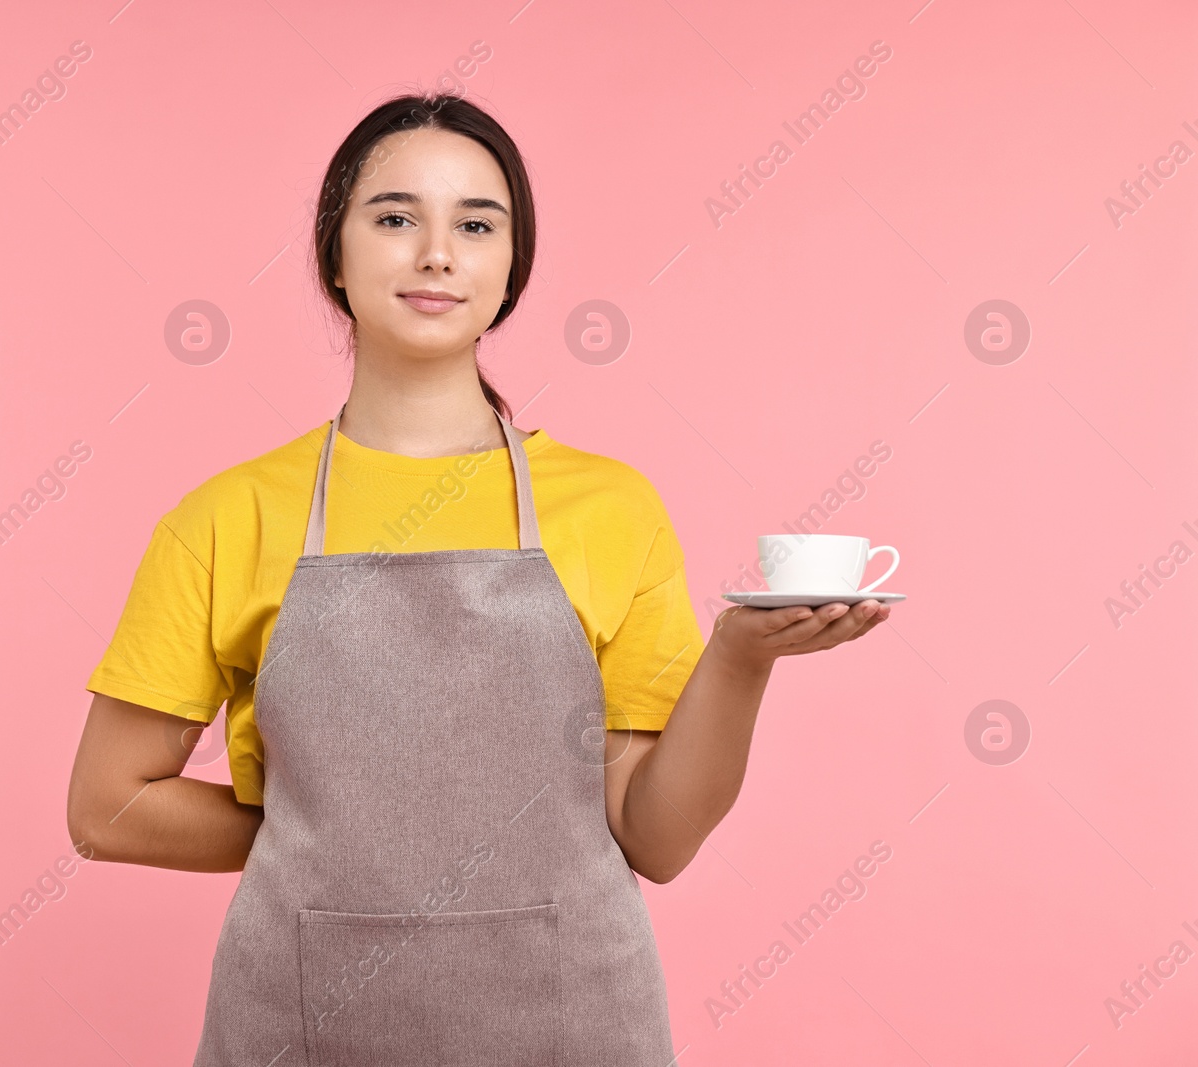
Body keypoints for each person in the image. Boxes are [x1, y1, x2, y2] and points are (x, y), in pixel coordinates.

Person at [65, 91, 889, 1066]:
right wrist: (333, 839)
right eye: (395, 217)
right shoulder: (225, 517)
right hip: (304, 1021)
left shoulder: (610, 507)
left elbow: (653, 837)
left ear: (510, 268)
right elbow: (104, 806)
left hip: (570, 1020)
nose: (436, 253)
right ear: (334, 254)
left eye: (475, 224)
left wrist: (743, 657)